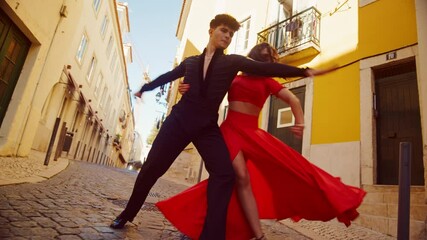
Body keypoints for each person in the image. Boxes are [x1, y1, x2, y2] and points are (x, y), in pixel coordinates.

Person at [110, 14, 328, 240]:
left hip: (206, 127)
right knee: (151, 169)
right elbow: (168, 76)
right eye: (224, 31)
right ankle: (127, 214)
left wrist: (303, 71)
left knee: (225, 175)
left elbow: (267, 69)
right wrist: (145, 88)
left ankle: (211, 235)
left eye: (231, 34)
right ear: (211, 30)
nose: (227, 36)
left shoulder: (232, 62)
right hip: (179, 121)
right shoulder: (191, 62)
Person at [155, 43, 366, 240]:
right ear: (257, 59)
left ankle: (250, 232)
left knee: (289, 169)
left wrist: (300, 122)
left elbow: (293, 100)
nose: (271, 62)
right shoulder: (233, 78)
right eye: (269, 58)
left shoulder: (267, 81)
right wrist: (186, 88)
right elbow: (208, 87)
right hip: (229, 130)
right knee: (240, 177)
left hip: (252, 134)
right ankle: (254, 234)